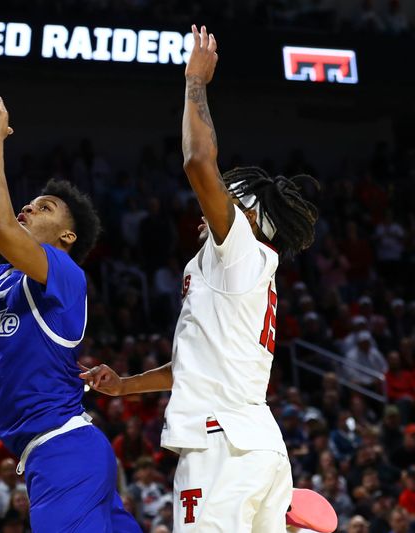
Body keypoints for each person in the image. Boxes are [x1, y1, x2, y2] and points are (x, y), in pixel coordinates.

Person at [80, 25, 319, 532]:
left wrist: (195, 84)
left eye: (224, 197)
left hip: (221, 447)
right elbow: (191, 366)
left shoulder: (240, 251)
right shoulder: (236, 271)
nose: (208, 206)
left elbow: (196, 161)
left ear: (247, 213)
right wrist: (125, 387)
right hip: (256, 443)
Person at [0, 83, 139, 532]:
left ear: (67, 237)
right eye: (30, 203)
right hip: (55, 456)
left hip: (64, 452)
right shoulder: (2, 280)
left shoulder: (66, 274)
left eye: (45, 207)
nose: (28, 208)